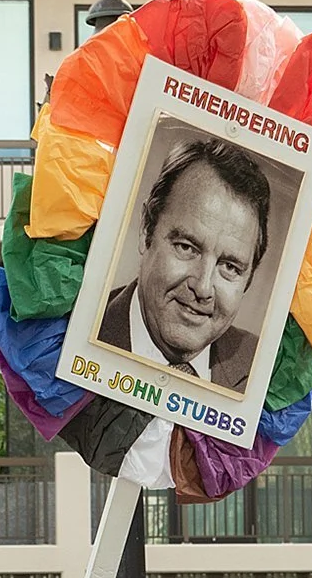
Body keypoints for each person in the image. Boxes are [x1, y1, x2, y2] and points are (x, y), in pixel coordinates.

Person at [96, 137, 270, 390]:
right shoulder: (73, 334)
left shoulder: (264, 375)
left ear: (249, 278)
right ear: (147, 230)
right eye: (187, 248)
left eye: (230, 267)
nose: (202, 288)